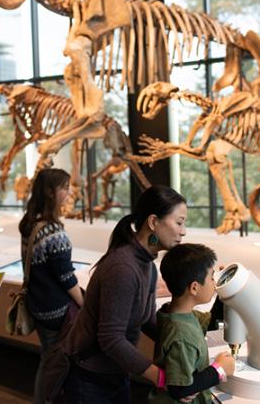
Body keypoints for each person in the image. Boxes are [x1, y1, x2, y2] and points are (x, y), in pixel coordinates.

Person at [63, 185, 187, 404]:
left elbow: (146, 318)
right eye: (179, 222)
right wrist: (160, 377)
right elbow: (110, 338)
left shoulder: (147, 265)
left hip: (114, 373)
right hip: (90, 379)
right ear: (153, 222)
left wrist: (182, 341)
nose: (183, 231)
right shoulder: (123, 268)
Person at [19, 168, 84, 404]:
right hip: (56, 312)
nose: (68, 193)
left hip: (38, 306)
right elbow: (66, 277)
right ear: (49, 192)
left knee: (47, 360)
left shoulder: (30, 223)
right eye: (64, 188)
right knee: (53, 364)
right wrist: (84, 303)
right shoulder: (52, 230)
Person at [149, 243, 235, 403]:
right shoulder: (181, 335)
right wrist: (220, 369)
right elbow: (180, 389)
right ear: (194, 288)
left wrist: (224, 289)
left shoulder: (174, 314)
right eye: (211, 278)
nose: (214, 282)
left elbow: (211, 324)